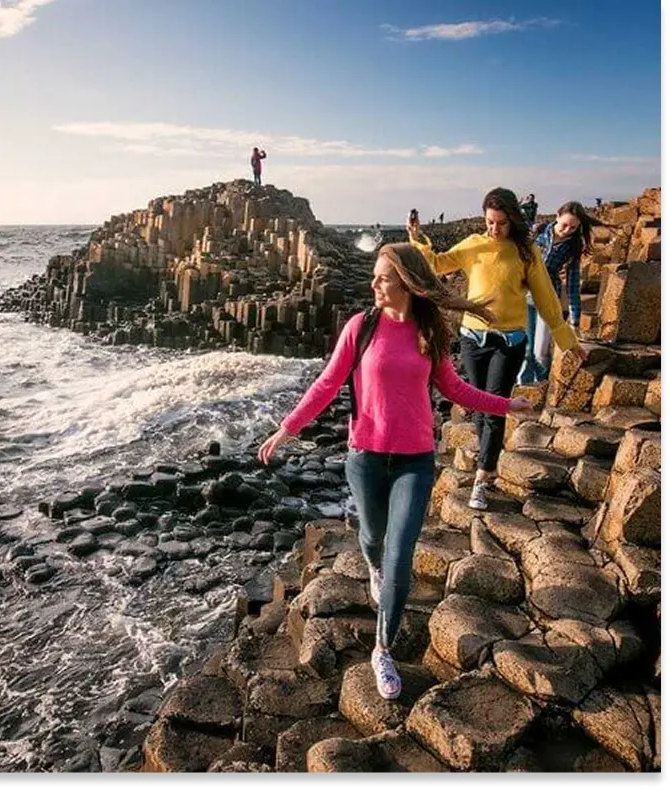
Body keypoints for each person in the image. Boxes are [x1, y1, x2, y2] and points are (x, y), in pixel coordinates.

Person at [257, 243, 534, 700]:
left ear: (406, 281)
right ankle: (372, 564)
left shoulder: (430, 329)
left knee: (400, 553)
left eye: (382, 278)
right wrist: (287, 429)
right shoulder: (361, 327)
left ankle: (382, 649)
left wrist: (507, 404)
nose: (374, 285)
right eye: (374, 277)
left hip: (415, 461)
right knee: (372, 537)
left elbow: (455, 388)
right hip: (364, 457)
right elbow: (328, 382)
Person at [407, 187, 586, 511]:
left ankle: (482, 477)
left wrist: (567, 341)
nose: (494, 229)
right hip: (473, 340)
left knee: (493, 407)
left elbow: (546, 299)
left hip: (510, 341)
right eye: (489, 222)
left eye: (500, 223)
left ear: (513, 220)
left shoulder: (526, 251)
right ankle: (488, 461)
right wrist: (418, 238)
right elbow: (437, 263)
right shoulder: (474, 245)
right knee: (479, 406)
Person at [518, 201, 610, 383]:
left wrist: (575, 321)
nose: (567, 230)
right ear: (557, 215)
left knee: (540, 351)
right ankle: (522, 387)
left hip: (549, 299)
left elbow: (573, 285)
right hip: (523, 296)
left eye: (573, 228)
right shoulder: (538, 232)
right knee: (525, 349)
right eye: (565, 224)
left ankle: (540, 387)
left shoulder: (573, 247)